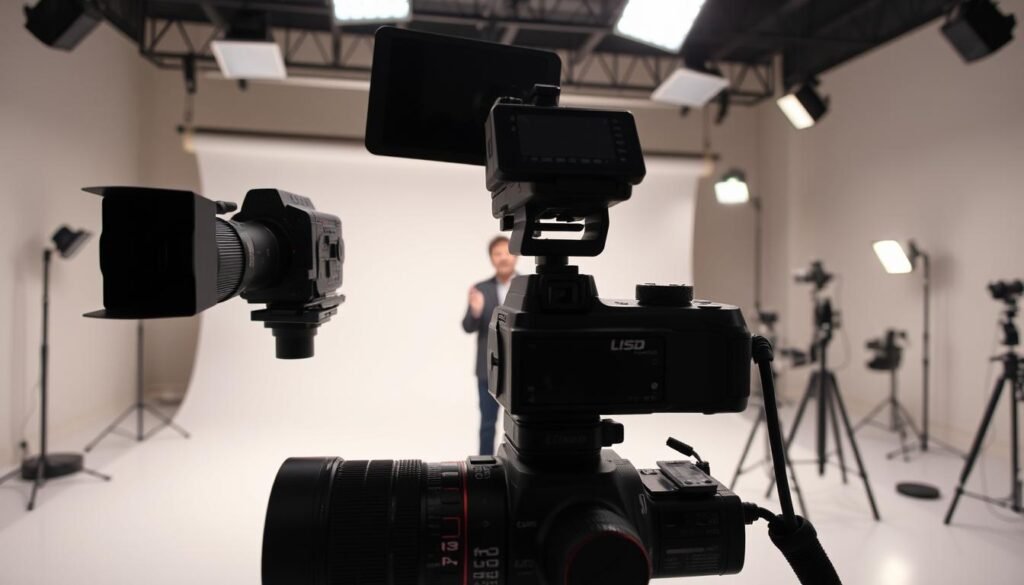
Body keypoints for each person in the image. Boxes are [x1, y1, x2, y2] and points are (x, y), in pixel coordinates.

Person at [462, 235, 518, 455]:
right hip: (488, 369)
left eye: (507, 252)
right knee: (487, 424)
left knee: (520, 425)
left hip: (518, 368)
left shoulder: (527, 285)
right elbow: (467, 326)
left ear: (515, 255)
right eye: (498, 254)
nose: (503, 257)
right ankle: (485, 467)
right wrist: (475, 311)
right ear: (491, 259)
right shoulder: (481, 288)